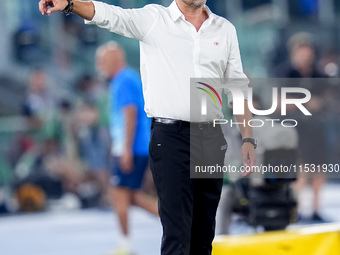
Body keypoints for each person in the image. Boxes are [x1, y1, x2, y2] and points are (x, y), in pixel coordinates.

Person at [38, 1, 256, 254]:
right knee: (177, 232)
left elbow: (238, 88)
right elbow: (110, 15)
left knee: (204, 231)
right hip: (171, 136)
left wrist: (248, 137)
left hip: (211, 136)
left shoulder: (224, 29)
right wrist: (70, 4)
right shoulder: (154, 19)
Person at [96, 41, 158, 254]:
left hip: (131, 147)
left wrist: (125, 150)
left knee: (119, 194)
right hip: (135, 146)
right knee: (132, 197)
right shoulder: (128, 79)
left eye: (102, 61)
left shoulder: (123, 81)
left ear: (114, 60)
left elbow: (130, 115)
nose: (99, 65)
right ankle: (180, 221)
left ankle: (125, 244)